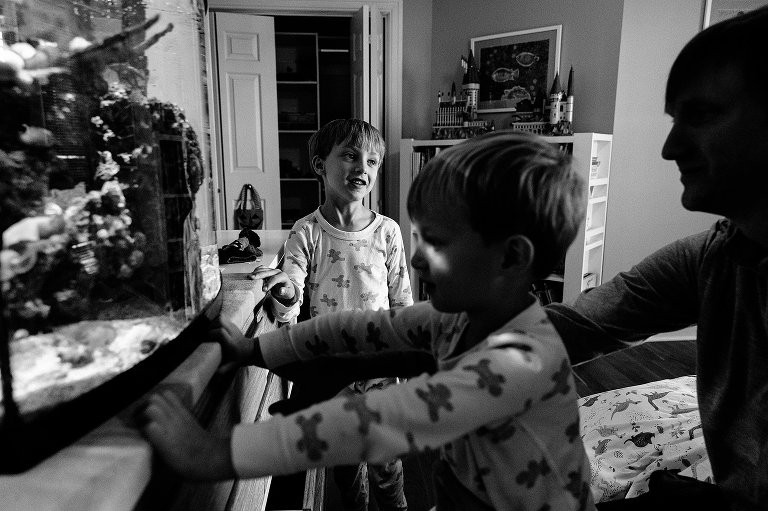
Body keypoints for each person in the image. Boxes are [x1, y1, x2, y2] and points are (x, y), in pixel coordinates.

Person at [141, 130, 595, 510]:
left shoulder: (519, 362)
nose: (416, 258)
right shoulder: (454, 320)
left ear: (511, 258)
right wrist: (257, 349)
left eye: (437, 243)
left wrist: (215, 453)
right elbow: (359, 329)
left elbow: (376, 422)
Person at [545, 7, 768, 510]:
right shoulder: (717, 255)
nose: (669, 148)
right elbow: (577, 324)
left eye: (703, 115)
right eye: (673, 120)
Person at [243, 118, 413, 511]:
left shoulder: (387, 232)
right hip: (330, 370)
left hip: (380, 367)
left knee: (386, 463)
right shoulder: (306, 232)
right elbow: (292, 295)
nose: (362, 168)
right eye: (350, 156)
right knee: (346, 466)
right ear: (320, 165)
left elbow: (402, 299)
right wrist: (284, 290)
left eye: (372, 161)